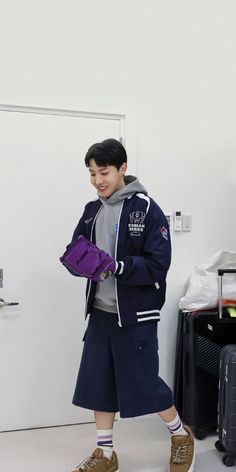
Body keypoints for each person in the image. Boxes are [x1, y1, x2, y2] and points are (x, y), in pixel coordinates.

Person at [64, 138, 195, 472]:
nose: (97, 181)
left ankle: (181, 436)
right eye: (91, 173)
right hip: (100, 313)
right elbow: (78, 247)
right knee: (98, 383)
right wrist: (76, 260)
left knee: (144, 383)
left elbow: (158, 264)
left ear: (122, 169)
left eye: (103, 172)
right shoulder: (92, 210)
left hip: (136, 315)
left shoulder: (145, 208)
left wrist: (117, 267)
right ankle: (106, 455)